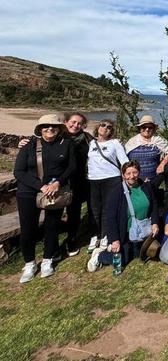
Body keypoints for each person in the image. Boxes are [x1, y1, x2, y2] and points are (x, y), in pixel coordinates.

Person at [18, 112, 93, 256]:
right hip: (52, 184)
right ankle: (53, 248)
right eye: (73, 122)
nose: (75, 125)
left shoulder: (87, 139)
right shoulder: (55, 137)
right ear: (65, 122)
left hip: (76, 182)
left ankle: (71, 240)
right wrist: (21, 143)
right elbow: (38, 146)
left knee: (73, 213)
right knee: (53, 218)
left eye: (79, 123)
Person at [15, 114, 76, 283]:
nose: (50, 129)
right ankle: (29, 263)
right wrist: (41, 186)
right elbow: (18, 172)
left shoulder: (66, 144)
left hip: (55, 191)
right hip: (29, 192)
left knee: (52, 226)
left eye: (54, 126)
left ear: (59, 129)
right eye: (46, 126)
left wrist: (58, 183)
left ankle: (48, 260)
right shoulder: (29, 145)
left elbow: (72, 167)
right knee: (28, 229)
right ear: (40, 129)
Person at [87, 160, 159, 272]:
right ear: (123, 175)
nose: (132, 176)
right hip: (124, 233)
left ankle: (133, 249)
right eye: (128, 173)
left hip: (143, 230)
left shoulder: (145, 186)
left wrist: (155, 222)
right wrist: (114, 239)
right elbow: (110, 217)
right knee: (121, 262)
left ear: (139, 172)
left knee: (138, 255)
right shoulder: (117, 192)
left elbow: (154, 205)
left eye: (134, 172)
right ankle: (100, 256)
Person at [87, 119, 130, 253]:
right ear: (97, 127)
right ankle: (95, 235)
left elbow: (124, 160)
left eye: (109, 127)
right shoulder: (91, 143)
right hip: (93, 179)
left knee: (108, 208)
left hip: (111, 179)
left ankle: (106, 235)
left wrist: (127, 175)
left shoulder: (115, 143)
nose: (105, 128)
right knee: (94, 208)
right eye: (103, 125)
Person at [125, 115, 168, 182]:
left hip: (153, 179)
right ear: (140, 128)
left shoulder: (158, 140)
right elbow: (123, 159)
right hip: (134, 178)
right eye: (144, 127)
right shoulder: (132, 141)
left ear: (154, 129)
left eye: (150, 127)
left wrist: (162, 164)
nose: (147, 129)